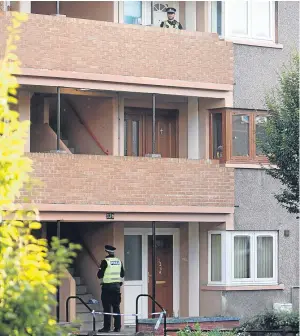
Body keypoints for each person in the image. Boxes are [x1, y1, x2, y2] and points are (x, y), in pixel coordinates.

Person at [97, 245, 125, 333]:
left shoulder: (105, 261)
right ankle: (117, 327)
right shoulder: (119, 261)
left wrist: (100, 269)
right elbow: (122, 274)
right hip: (116, 288)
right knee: (116, 307)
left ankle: (107, 327)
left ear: (106, 252)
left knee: (107, 308)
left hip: (107, 288)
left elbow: (99, 275)